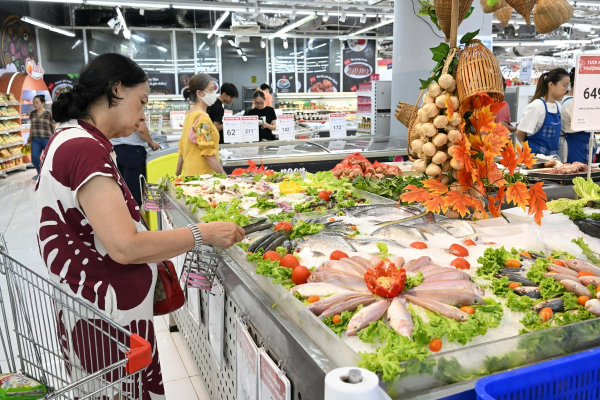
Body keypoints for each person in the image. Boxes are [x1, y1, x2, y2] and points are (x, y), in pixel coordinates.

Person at [35, 54, 244, 399]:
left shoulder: (69, 138)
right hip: (107, 316)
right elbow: (125, 245)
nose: (144, 114)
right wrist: (202, 234)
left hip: (88, 308)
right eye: (142, 101)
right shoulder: (84, 150)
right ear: (116, 90)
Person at [176, 74, 225, 176]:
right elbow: (208, 154)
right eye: (211, 90)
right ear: (200, 93)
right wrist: (225, 176)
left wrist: (176, 176)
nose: (214, 94)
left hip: (191, 176)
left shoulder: (190, 116)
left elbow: (182, 151)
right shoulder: (202, 119)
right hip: (203, 178)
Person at [516, 68, 570, 157]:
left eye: (568, 86)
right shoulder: (537, 106)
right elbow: (520, 133)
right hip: (534, 159)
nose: (566, 89)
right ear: (551, 84)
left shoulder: (558, 106)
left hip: (552, 158)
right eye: (564, 85)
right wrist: (530, 148)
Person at [110, 121, 161, 207]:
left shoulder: (111, 109)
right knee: (134, 191)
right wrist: (151, 142)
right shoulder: (133, 108)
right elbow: (141, 128)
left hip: (114, 150)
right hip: (132, 151)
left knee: (120, 188)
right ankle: (135, 217)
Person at [562, 67, 596, 164]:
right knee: (577, 174)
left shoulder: (573, 100)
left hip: (581, 144)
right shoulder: (572, 103)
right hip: (576, 146)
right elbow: (590, 122)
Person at [28, 94, 55, 180]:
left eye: (37, 102)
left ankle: (50, 174)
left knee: (49, 158)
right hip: (35, 138)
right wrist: (29, 137)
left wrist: (56, 136)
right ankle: (40, 173)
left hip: (47, 138)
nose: (34, 104)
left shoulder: (48, 114)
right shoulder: (32, 114)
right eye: (33, 102)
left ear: (43, 103)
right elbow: (32, 126)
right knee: (34, 157)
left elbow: (54, 126)